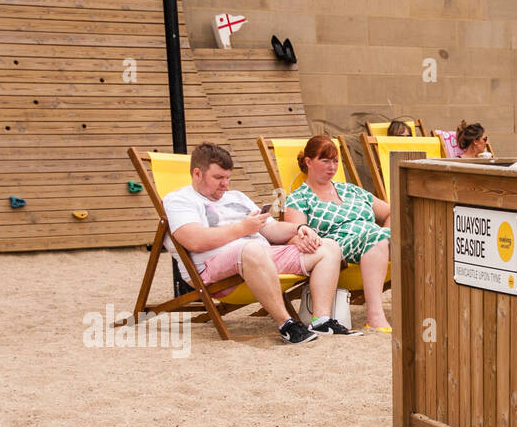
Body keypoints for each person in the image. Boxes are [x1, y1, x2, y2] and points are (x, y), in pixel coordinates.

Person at [164, 142, 344, 344]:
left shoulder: (237, 197)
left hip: (260, 258)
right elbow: (194, 240)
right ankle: (286, 324)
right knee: (250, 249)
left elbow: (271, 229)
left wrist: (299, 229)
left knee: (328, 246)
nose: (225, 184)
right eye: (218, 178)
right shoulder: (179, 200)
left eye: (228, 178)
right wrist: (242, 229)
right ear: (197, 174)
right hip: (214, 269)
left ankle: (321, 320)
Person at [282, 135, 391, 333]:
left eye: (335, 161)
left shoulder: (351, 190)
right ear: (308, 162)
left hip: (379, 239)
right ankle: (375, 316)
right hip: (339, 246)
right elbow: (293, 234)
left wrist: (387, 231)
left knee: (416, 237)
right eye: (325, 160)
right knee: (378, 238)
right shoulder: (299, 198)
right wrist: (303, 239)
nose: (332, 167)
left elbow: (391, 212)